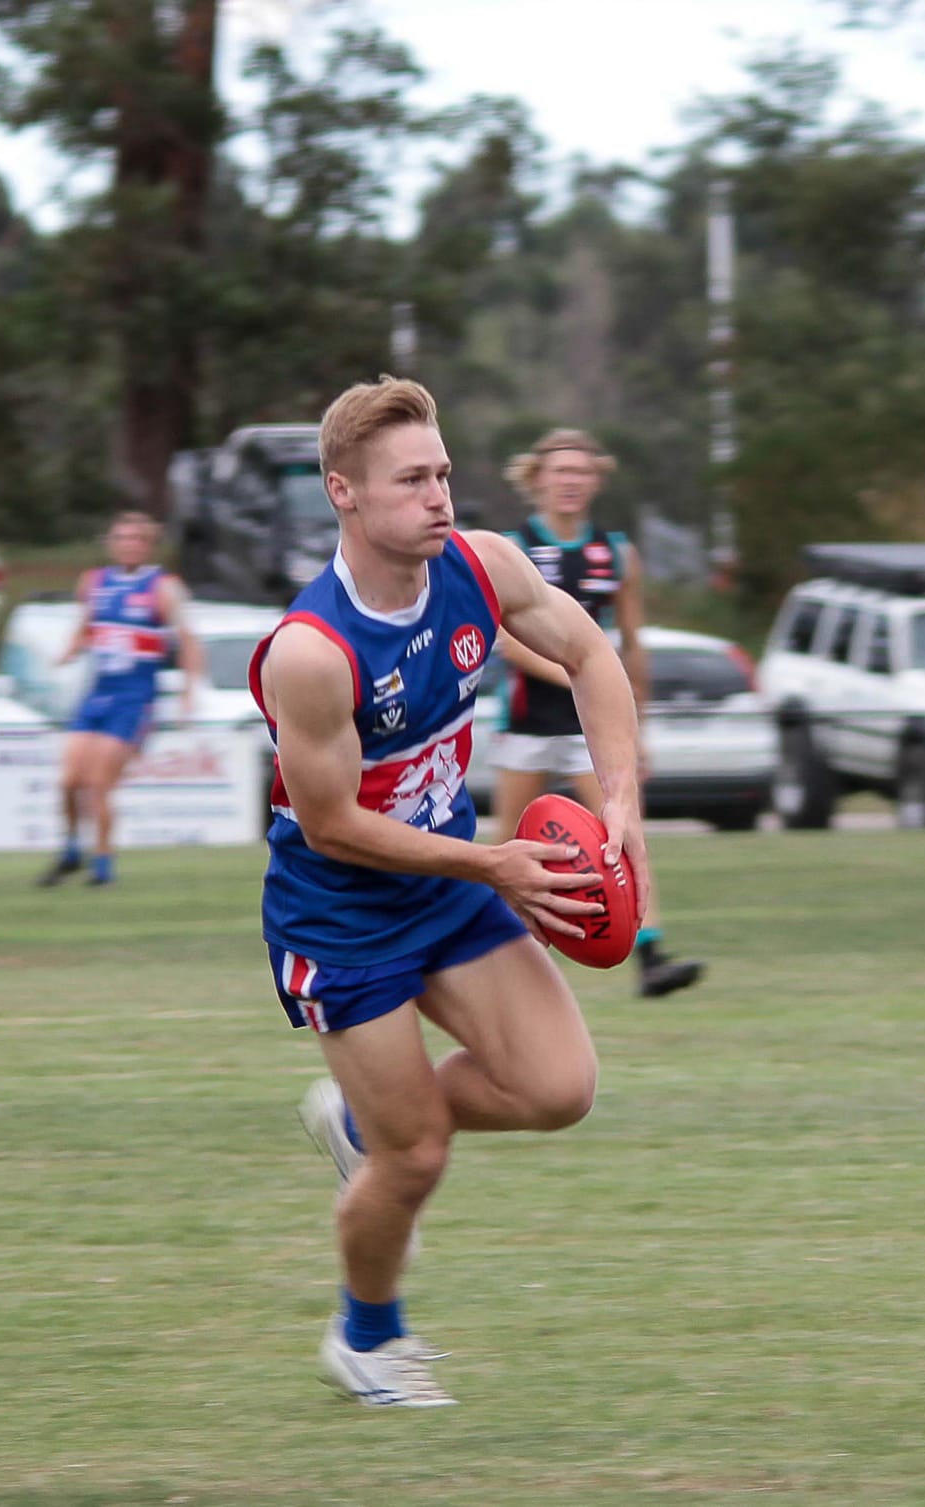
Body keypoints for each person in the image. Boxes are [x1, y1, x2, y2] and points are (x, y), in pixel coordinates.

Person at [249, 376, 652, 1407]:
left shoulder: (480, 564)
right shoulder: (312, 651)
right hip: (340, 913)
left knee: (560, 1088)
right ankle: (367, 1338)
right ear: (343, 491)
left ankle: (360, 1119)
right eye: (410, 481)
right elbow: (333, 822)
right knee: (416, 1153)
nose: (437, 497)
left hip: (445, 879)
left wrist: (621, 798)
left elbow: (587, 653)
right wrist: (495, 865)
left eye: (442, 473)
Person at [491, 428, 705, 1000]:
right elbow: (509, 644)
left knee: (623, 829)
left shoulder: (616, 553)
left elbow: (632, 645)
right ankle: (501, 957)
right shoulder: (511, 549)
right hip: (526, 722)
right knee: (506, 844)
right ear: (537, 479)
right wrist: (582, 675)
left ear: (596, 481)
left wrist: (639, 727)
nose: (571, 481)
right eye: (560, 471)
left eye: (582, 472)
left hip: (593, 729)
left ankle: (651, 951)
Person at [39, 511, 201, 888]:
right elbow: (86, 629)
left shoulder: (163, 586)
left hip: (135, 699)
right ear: (111, 543)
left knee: (98, 782)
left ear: (148, 545)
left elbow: (188, 641)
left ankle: (103, 864)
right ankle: (70, 850)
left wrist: (190, 691)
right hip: (97, 694)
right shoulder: (94, 582)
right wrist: (68, 651)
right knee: (67, 780)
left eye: (136, 538)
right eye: (122, 537)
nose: (129, 544)